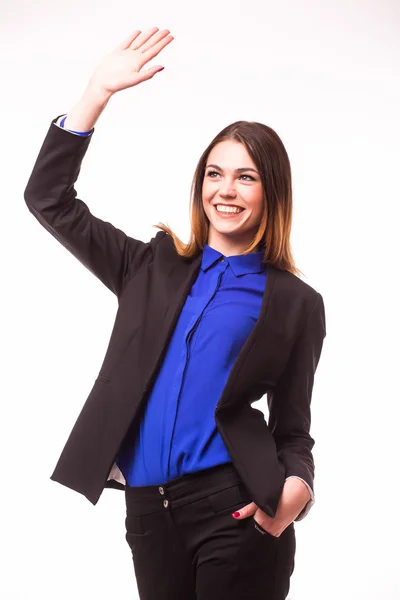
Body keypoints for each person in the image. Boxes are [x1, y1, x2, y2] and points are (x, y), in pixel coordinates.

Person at [24, 27, 326, 600]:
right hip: (147, 511)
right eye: (215, 173)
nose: (226, 190)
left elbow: (294, 428)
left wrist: (290, 500)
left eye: (246, 176)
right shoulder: (151, 267)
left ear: (271, 191)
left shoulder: (294, 302)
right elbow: (49, 201)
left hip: (234, 507)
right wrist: (96, 93)